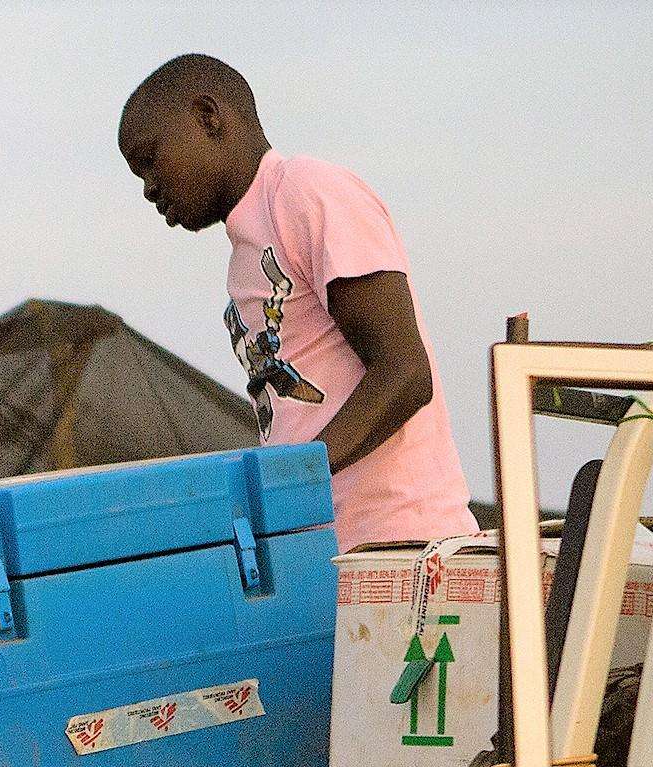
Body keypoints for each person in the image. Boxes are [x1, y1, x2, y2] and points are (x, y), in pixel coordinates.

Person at [117, 54, 475, 550]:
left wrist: (287, 482)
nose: (149, 188)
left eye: (150, 160)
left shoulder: (306, 191)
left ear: (208, 117)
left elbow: (406, 372)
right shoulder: (245, 255)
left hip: (399, 544)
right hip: (326, 549)